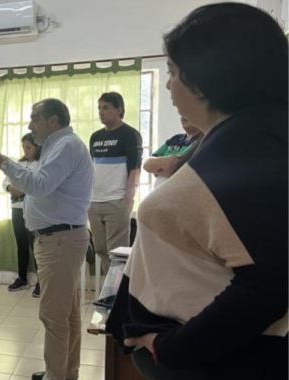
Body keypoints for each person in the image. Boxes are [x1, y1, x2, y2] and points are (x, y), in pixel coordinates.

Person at [106, 4, 287, 380]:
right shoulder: (240, 135)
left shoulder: (251, 149)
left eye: (172, 72)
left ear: (205, 80)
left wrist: (171, 347)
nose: (169, 85)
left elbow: (270, 284)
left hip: (217, 362)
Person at [0, 98, 93, 380]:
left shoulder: (65, 146)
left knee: (54, 317)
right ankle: (64, 373)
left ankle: (57, 376)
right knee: (67, 315)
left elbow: (38, 185)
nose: (29, 124)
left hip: (60, 240)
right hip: (60, 238)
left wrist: (2, 161)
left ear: (53, 121)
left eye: (34, 118)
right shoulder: (54, 147)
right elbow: (36, 180)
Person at [88, 92, 142, 274]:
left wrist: (128, 197)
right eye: (99, 108)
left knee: (117, 253)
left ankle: (117, 296)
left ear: (118, 110)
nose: (101, 112)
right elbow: (92, 167)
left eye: (106, 108)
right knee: (101, 250)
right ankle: (108, 293)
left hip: (116, 200)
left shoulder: (130, 134)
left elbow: (135, 168)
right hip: (94, 202)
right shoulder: (95, 137)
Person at [3, 133, 41, 297]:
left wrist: (21, 188)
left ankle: (41, 281)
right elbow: (6, 182)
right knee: (21, 244)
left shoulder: (41, 164)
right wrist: (12, 188)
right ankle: (22, 278)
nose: (26, 150)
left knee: (35, 245)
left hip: (32, 210)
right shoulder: (19, 164)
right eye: (23, 147)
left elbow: (32, 186)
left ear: (37, 147)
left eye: (29, 147)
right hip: (16, 208)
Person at [143, 117, 202, 187]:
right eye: (182, 114)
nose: (183, 117)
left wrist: (158, 167)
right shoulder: (175, 139)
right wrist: (165, 162)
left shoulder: (201, 142)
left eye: (188, 112)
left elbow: (178, 169)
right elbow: (147, 165)